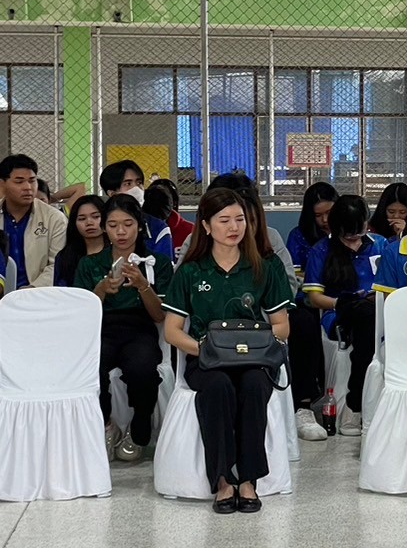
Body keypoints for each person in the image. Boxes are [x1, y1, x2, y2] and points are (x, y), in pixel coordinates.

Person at [162, 188, 294, 514]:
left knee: (254, 384)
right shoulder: (191, 271)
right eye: (224, 220)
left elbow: (282, 326)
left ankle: (248, 480)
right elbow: (172, 331)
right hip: (207, 361)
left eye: (240, 219)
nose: (234, 227)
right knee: (218, 386)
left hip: (254, 359)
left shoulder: (265, 266)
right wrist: (205, 349)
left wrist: (249, 344)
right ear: (206, 226)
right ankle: (223, 481)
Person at [71, 195, 173, 462]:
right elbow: (81, 315)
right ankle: (106, 425)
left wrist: (143, 286)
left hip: (140, 328)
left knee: (142, 368)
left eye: (128, 224)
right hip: (101, 328)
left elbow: (159, 315)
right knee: (92, 368)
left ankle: (139, 428)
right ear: (104, 228)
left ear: (139, 225)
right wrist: (101, 289)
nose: (121, 232)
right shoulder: (90, 264)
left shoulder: (156, 263)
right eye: (113, 225)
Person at [302, 195, 386, 439]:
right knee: (363, 315)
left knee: (369, 314)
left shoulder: (380, 245)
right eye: (348, 235)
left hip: (378, 310)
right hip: (338, 312)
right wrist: (340, 302)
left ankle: (364, 401)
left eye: (359, 232)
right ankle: (354, 405)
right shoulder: (321, 250)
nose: (354, 239)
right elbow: (314, 297)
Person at [286, 181, 338, 439]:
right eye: (318, 215)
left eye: (330, 213)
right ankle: (304, 402)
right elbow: (295, 277)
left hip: (339, 299)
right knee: (303, 322)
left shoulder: (351, 235)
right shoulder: (298, 236)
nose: (325, 220)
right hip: (306, 299)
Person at [1, 153, 68, 287]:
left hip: (39, 292)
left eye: (32, 181)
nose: (28, 187)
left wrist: (32, 289)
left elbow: (57, 264)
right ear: (2, 184)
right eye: (19, 181)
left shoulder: (54, 218)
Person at [98, 160, 173, 262]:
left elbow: (164, 267)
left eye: (139, 183)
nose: (136, 189)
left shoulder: (157, 227)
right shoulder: (98, 226)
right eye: (128, 184)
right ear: (112, 194)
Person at [53, 195, 107, 290]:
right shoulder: (65, 257)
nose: (89, 223)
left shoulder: (116, 252)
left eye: (96, 217)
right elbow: (61, 292)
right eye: (82, 219)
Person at [149, 178, 194, 250]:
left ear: (174, 203)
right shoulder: (138, 229)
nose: (157, 204)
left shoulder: (191, 231)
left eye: (164, 200)